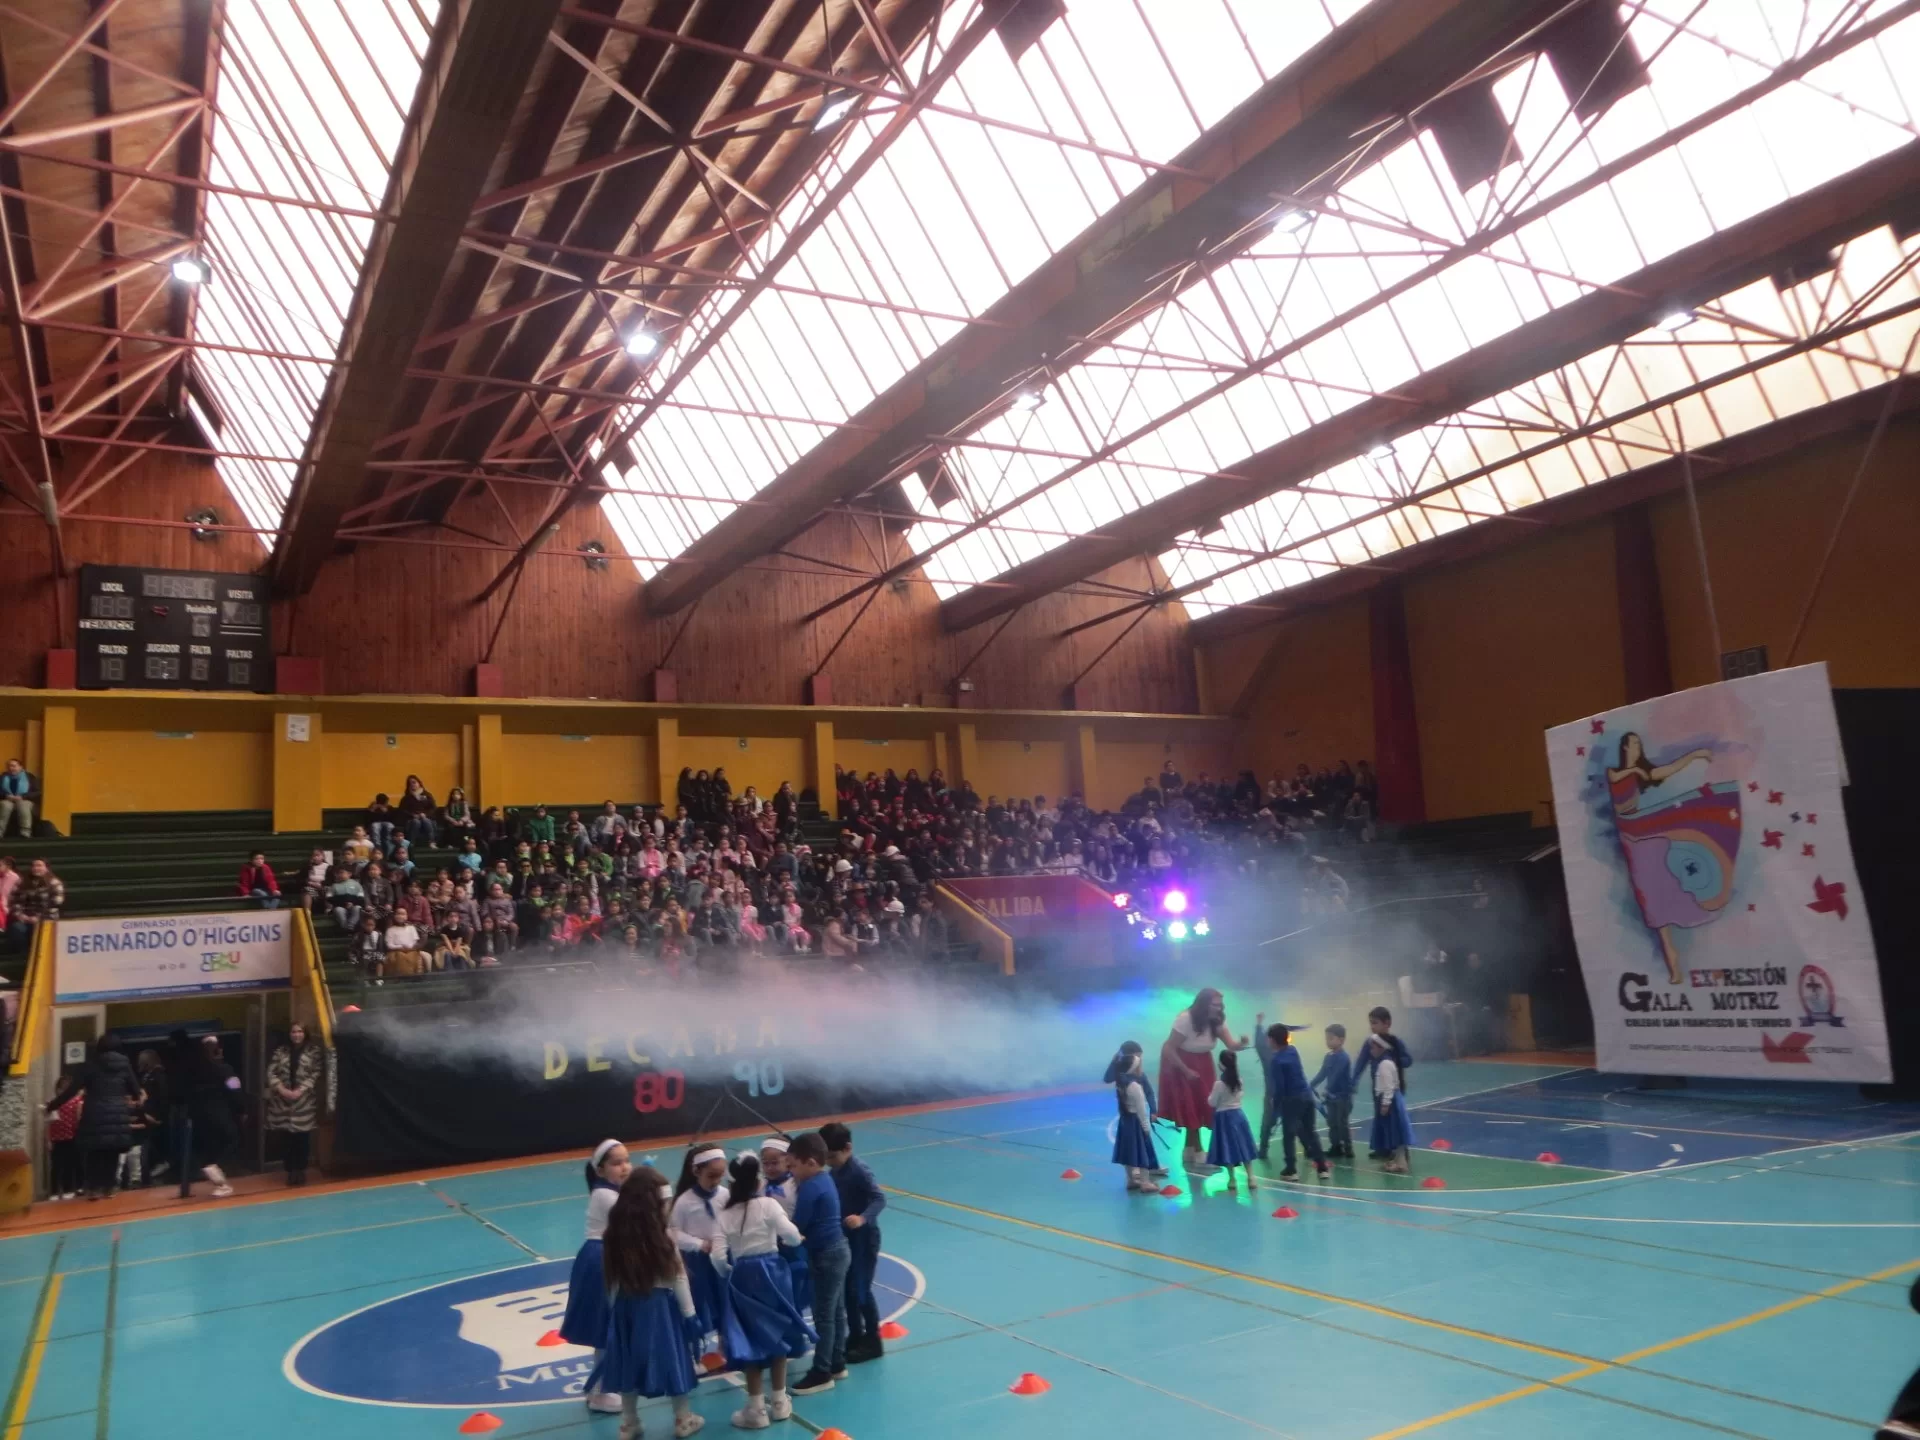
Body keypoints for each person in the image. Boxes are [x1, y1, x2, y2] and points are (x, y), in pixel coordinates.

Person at [591, 1168, 706, 1440]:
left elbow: (612, 1281)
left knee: (628, 1363)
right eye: (664, 1203)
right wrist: (690, 1315)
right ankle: (683, 1418)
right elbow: (678, 1278)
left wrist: (614, 1312)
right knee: (675, 1361)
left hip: (626, 1308)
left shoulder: (614, 1236)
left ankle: (629, 1422)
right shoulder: (663, 1237)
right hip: (660, 1309)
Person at [716, 1150, 813, 1428]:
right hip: (773, 1272)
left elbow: (717, 1257)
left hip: (743, 1277)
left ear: (731, 1182)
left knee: (751, 1339)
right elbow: (790, 1235)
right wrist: (795, 1241)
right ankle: (780, 1402)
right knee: (777, 1332)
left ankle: (756, 1409)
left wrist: (730, 1272)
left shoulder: (725, 1214)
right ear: (758, 1179)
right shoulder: (769, 1205)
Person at [562, 1139, 633, 1416]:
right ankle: (601, 1391)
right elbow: (633, 1224)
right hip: (602, 1260)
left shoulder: (611, 1192)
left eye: (627, 1160)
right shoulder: (606, 1195)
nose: (624, 1167)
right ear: (600, 1170)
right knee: (607, 1326)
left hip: (606, 1257)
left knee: (609, 1326)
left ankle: (600, 1386)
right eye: (617, 1163)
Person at [787, 1132, 850, 1396]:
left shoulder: (810, 1187)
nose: (791, 1171)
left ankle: (821, 1371)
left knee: (824, 1316)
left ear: (811, 1162)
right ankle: (837, 1362)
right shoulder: (824, 1178)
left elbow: (797, 1226)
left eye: (793, 1165)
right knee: (836, 1312)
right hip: (839, 1250)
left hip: (826, 1255)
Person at [1158, 987, 1244, 1172]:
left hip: (1204, 1063)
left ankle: (1189, 1150)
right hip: (1182, 1063)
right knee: (1191, 1108)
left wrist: (1241, 1043)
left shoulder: (1217, 1020)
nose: (1218, 1008)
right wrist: (1186, 1070)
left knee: (1202, 1105)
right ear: (1204, 1004)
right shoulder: (1185, 1019)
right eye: (1215, 1005)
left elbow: (1231, 1044)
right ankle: (1198, 1152)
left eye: (1220, 1005)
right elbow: (1168, 1048)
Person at [45, 1034, 141, 1200]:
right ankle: (109, 1187)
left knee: (94, 1152)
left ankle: (94, 1188)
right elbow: (135, 1090)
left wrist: (52, 1106)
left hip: (94, 1112)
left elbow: (72, 1090)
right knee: (112, 1151)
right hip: (117, 1113)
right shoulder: (125, 1064)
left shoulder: (90, 1065)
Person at [821, 1122, 886, 1366]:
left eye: (832, 1156)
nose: (829, 1162)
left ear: (847, 1148)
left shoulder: (859, 1170)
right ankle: (856, 1334)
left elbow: (879, 1198)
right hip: (846, 1238)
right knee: (847, 1290)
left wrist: (862, 1218)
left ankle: (873, 1340)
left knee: (860, 1289)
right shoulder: (834, 1172)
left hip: (864, 1239)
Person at [668, 1146, 732, 1359]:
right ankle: (695, 1350)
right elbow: (674, 1233)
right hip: (697, 1263)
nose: (716, 1181)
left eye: (720, 1176)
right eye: (711, 1176)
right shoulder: (684, 1202)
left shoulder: (725, 1195)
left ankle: (726, 1346)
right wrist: (699, 1244)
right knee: (698, 1304)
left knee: (725, 1301)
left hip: (721, 1258)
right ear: (696, 1171)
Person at [1261, 1023, 1329, 1180]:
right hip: (1307, 1097)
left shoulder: (1276, 1061)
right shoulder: (1293, 1050)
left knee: (1289, 1135)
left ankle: (1291, 1170)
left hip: (1292, 1101)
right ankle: (1322, 1168)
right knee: (1311, 1132)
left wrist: (1275, 1108)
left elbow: (1280, 1088)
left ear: (1272, 1040)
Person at [266, 1022, 322, 1186]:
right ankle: (290, 1171)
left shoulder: (313, 1051)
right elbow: (271, 1072)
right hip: (282, 1102)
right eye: (293, 1032)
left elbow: (316, 1073)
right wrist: (281, 1089)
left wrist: (301, 1089)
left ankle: (300, 1170)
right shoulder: (281, 1051)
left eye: (299, 1032)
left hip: (304, 1102)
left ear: (305, 1033)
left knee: (302, 1139)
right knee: (286, 1139)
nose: (296, 1035)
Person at [189, 1034, 243, 1197]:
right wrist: (242, 1109)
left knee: (209, 1148)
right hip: (220, 1114)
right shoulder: (225, 1069)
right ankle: (215, 1169)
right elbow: (235, 1090)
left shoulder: (194, 1072)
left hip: (200, 1117)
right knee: (232, 1140)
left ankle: (212, 1170)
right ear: (218, 1050)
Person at [1204, 1047, 1259, 1190]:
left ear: (1221, 1064)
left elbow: (1212, 1102)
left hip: (1224, 1119)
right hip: (1239, 1115)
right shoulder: (1239, 1080)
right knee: (1244, 1146)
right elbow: (1241, 1095)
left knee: (1227, 1147)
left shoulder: (1219, 1084)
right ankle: (1251, 1177)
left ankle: (1232, 1179)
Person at [1110, 1046, 1160, 1193]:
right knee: (1142, 1151)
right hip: (1136, 1122)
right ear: (1133, 1068)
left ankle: (1131, 1180)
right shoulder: (1135, 1086)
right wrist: (1146, 1127)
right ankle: (1145, 1182)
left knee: (1128, 1151)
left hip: (1125, 1122)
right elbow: (1141, 1110)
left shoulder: (1121, 1083)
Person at [1364, 1032, 1414, 1174]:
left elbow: (1388, 1087)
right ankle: (1398, 1160)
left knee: (1396, 1133)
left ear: (1381, 1048)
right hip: (1393, 1100)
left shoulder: (1384, 1064)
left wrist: (1385, 1104)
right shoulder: (1387, 1062)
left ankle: (1402, 1163)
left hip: (1391, 1102)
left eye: (1373, 1047)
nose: (1371, 1051)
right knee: (1395, 1133)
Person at [1312, 1023, 1356, 1160]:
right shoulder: (1328, 1056)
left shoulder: (1343, 1057)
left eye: (1331, 1038)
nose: (1328, 1041)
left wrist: (1327, 1089)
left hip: (1343, 1097)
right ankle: (1336, 1146)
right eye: (1327, 1038)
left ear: (1341, 1040)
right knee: (1332, 1122)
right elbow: (1322, 1073)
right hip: (1331, 1097)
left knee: (1342, 1123)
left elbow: (1336, 1074)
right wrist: (1310, 1085)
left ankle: (1348, 1148)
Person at [45, 1082, 83, 1200]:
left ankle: (68, 1189)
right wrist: (48, 1140)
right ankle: (54, 1192)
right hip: (56, 1139)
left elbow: (78, 1119)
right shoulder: (52, 1103)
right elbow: (48, 1124)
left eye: (65, 1089)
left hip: (71, 1137)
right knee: (56, 1166)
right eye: (60, 1089)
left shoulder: (76, 1101)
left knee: (69, 1165)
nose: (62, 1092)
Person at [398, 774, 438, 850]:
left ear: (419, 783)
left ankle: (432, 842)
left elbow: (433, 808)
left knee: (426, 821)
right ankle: (411, 843)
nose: (412, 785)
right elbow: (402, 810)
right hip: (412, 819)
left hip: (426, 818)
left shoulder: (427, 795)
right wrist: (413, 815)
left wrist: (425, 814)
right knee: (416, 822)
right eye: (410, 783)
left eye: (414, 782)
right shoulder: (407, 797)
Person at [0, 757, 34, 837]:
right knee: (5, 805)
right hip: (7, 800)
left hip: (24, 800)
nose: (11, 768)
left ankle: (25, 833)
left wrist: (23, 797)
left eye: (13, 766)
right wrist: (6, 796)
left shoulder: (29, 777)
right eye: (9, 766)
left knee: (23, 805)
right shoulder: (2, 777)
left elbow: (37, 792)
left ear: (20, 767)